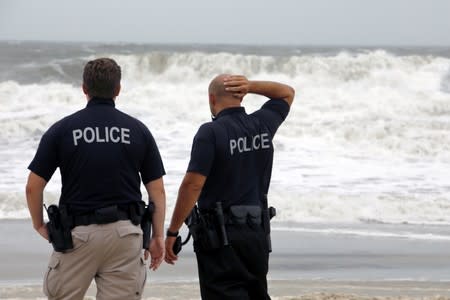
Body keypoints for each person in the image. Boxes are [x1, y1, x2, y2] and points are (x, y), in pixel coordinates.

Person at [25, 58, 166, 300]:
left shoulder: (62, 130)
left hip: (77, 236)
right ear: (118, 90)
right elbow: (157, 191)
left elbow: (33, 187)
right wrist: (158, 236)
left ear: (84, 89)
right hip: (126, 235)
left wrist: (39, 224)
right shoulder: (138, 130)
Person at [165, 74, 295, 299]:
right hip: (257, 234)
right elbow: (286, 93)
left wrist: (173, 231)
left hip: (220, 238)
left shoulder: (211, 132)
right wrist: (251, 86)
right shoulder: (262, 124)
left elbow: (192, 185)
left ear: (211, 98)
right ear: (241, 95)